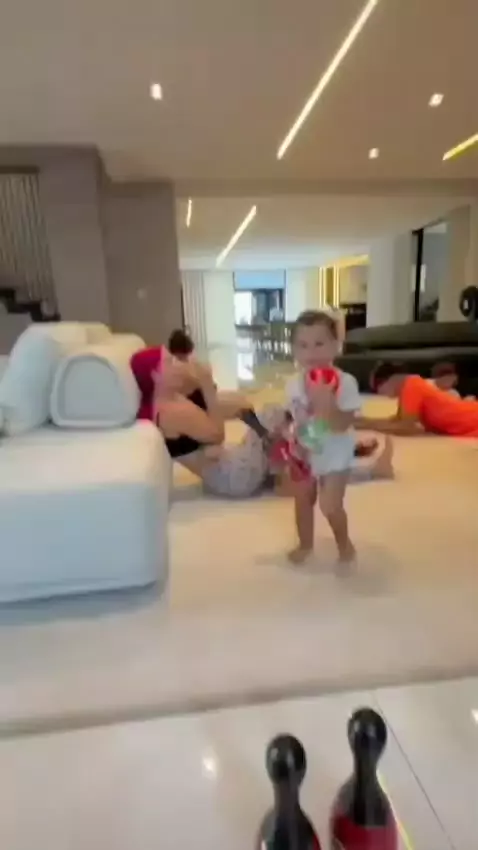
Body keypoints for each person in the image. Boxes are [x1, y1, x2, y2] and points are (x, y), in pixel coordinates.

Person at [285, 309, 360, 566]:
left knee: (330, 505)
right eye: (303, 345)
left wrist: (327, 405)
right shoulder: (293, 384)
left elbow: (343, 425)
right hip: (305, 450)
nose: (312, 352)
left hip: (335, 454)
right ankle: (305, 544)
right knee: (302, 499)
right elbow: (294, 417)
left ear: (335, 346)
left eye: (319, 343)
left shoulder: (345, 382)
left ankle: (344, 544)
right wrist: (289, 435)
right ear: (294, 351)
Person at [356, 361, 478, 437]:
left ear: (392, 379)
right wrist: (361, 422)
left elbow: (407, 427)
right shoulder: (409, 387)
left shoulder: (412, 385)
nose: (378, 393)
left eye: (377, 386)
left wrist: (367, 426)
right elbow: (396, 421)